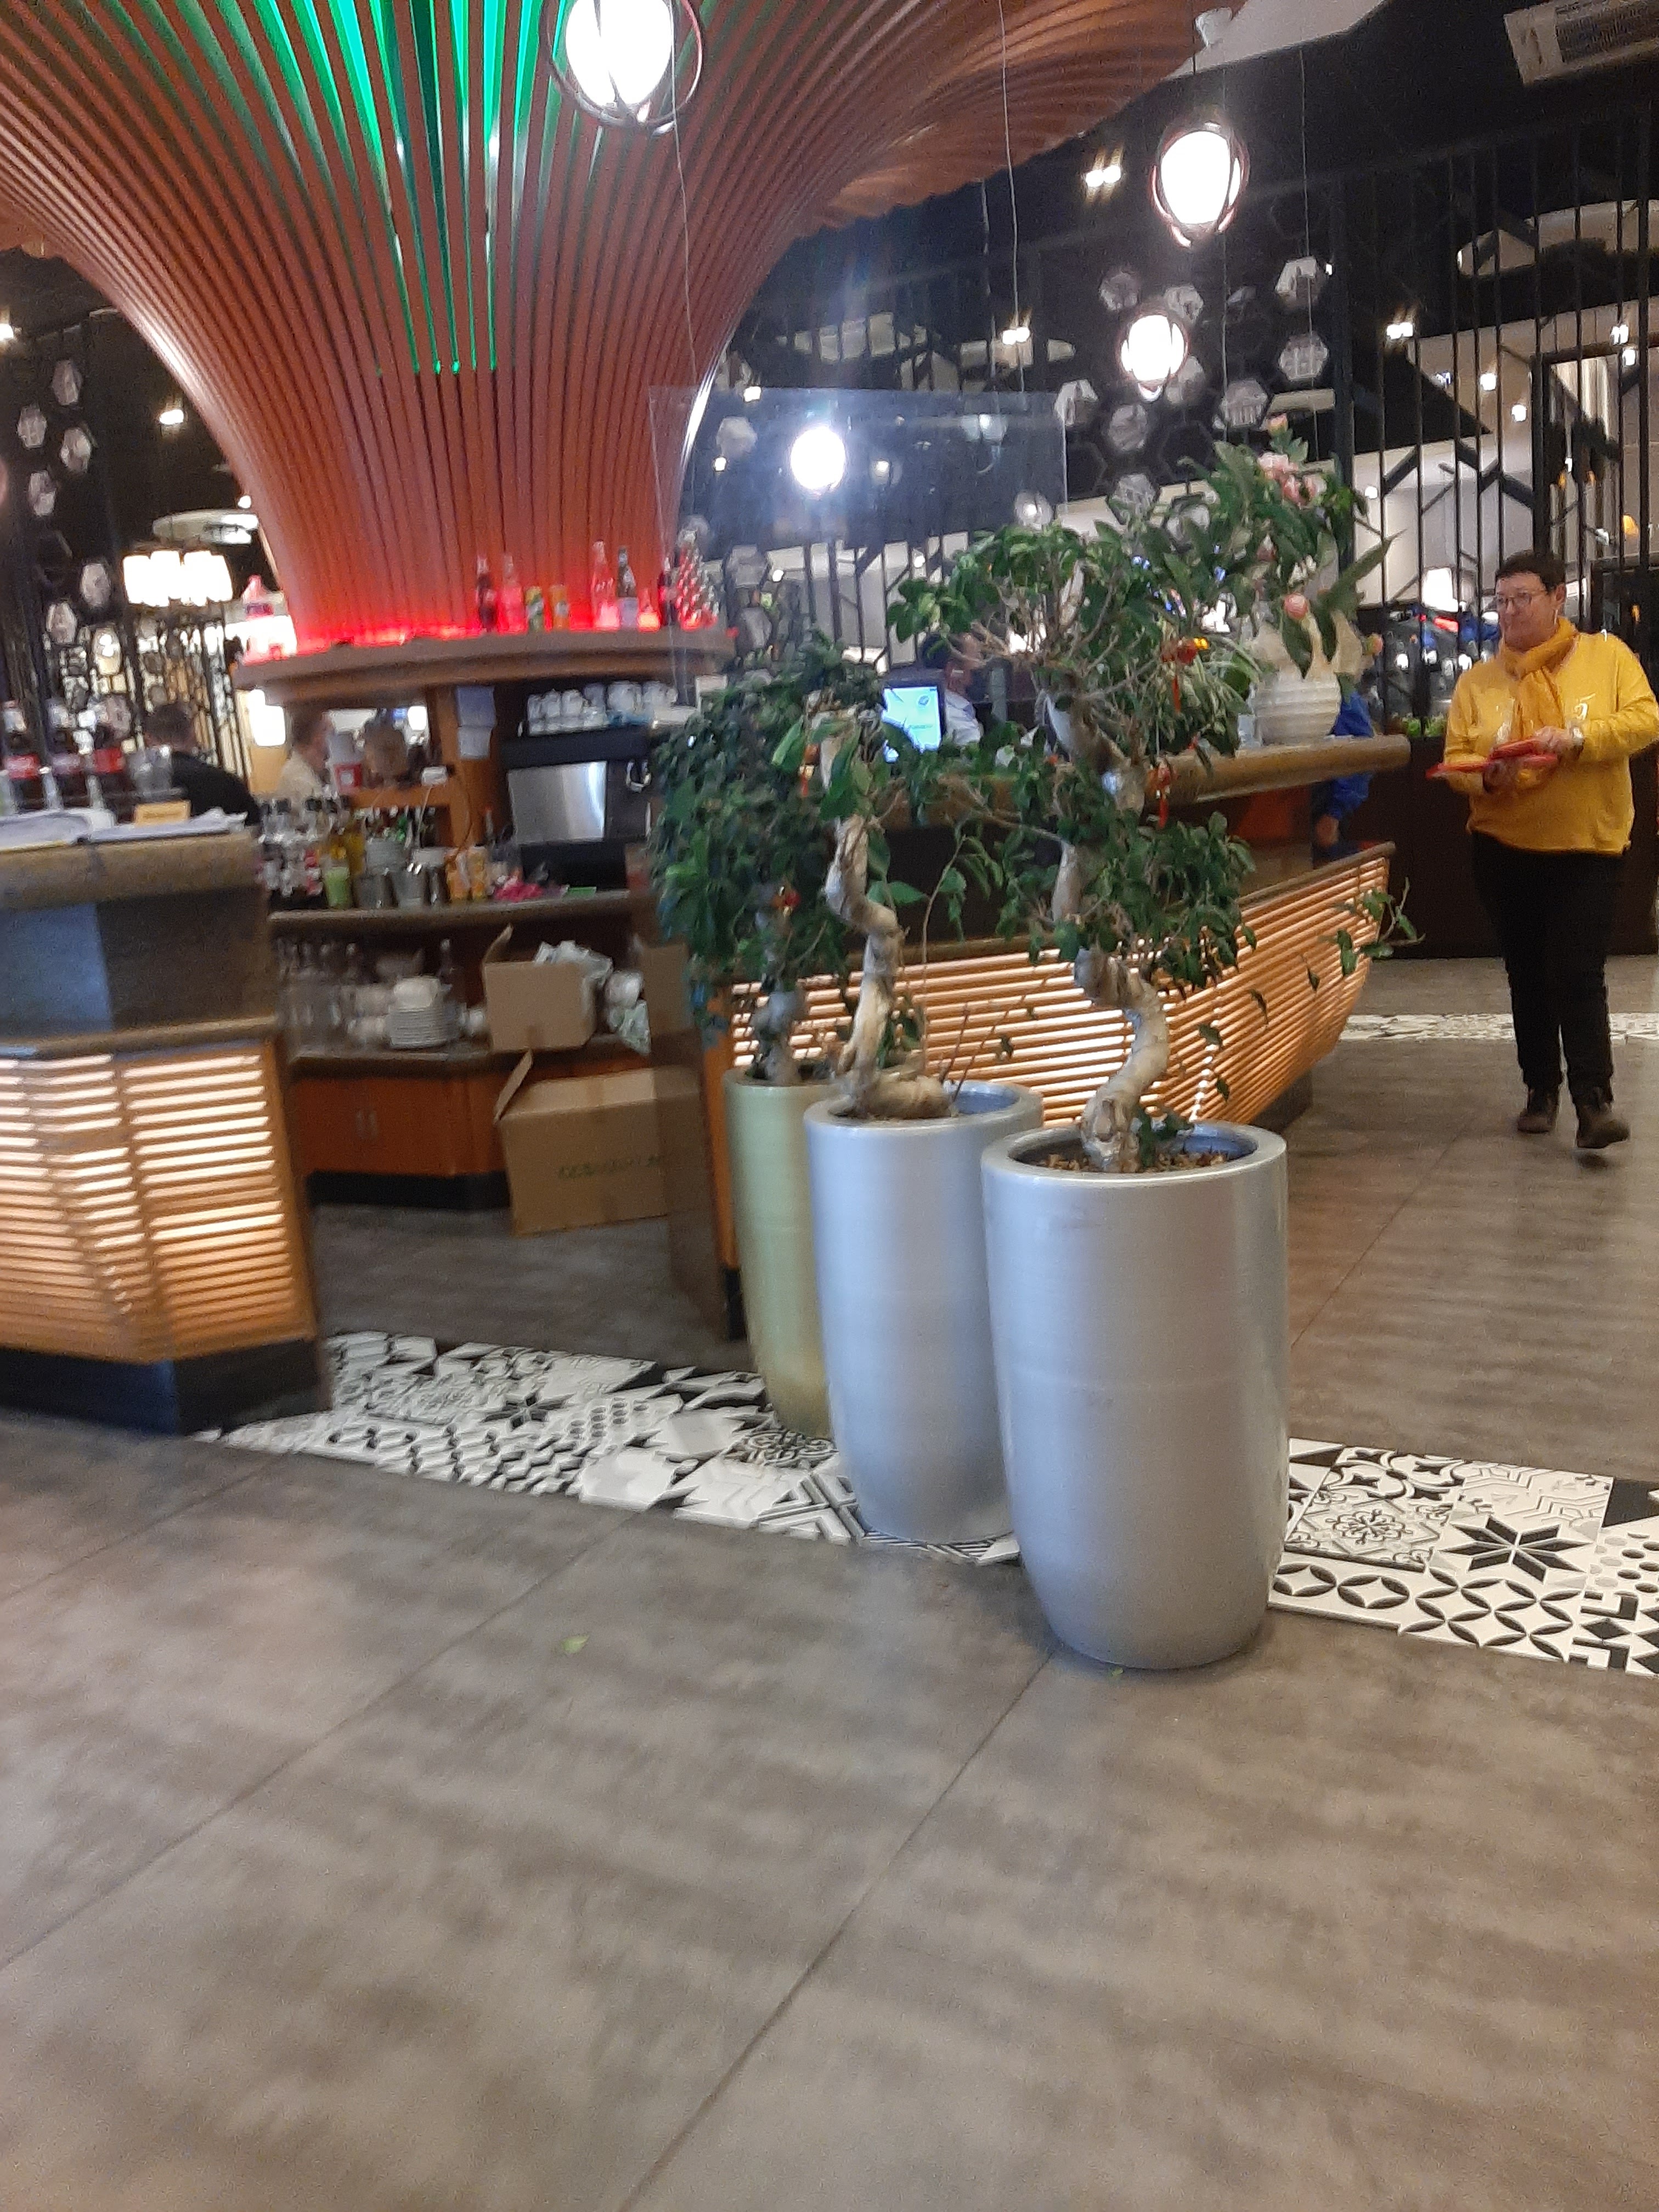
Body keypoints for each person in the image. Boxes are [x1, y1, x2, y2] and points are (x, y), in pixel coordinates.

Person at [1442, 546, 1659, 1151]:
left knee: (1577, 971)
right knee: (1528, 973)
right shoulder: (1478, 682)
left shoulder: (1607, 657)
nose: (1509, 611)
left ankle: (1595, 1101)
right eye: (1501, 600)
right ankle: (1541, 1088)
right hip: (1503, 847)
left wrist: (1579, 738)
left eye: (1523, 598)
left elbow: (1646, 720)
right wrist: (1487, 777)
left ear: (1558, 597)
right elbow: (1456, 758)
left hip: (1588, 845)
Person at [144, 699, 255, 820]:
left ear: (149, 739)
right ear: (192, 734)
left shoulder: (139, 787)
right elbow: (254, 823)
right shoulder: (226, 782)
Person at [276, 703, 334, 805]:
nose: (334, 740)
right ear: (317, 738)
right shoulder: (297, 778)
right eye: (330, 733)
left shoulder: (315, 768)